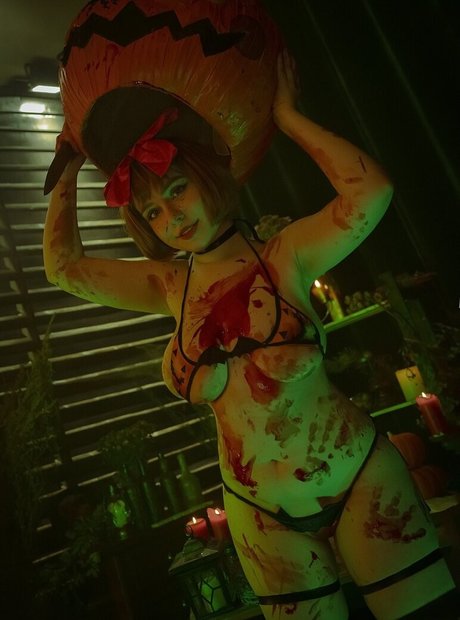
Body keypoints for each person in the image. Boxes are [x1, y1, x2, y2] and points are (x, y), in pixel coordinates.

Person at [43, 51, 456, 619]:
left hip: (358, 477)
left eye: (177, 189)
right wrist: (67, 168)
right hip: (257, 510)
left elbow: (372, 191)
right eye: (153, 211)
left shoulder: (286, 255)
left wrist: (288, 118)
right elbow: (64, 268)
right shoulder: (168, 285)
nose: (172, 217)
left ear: (206, 176)